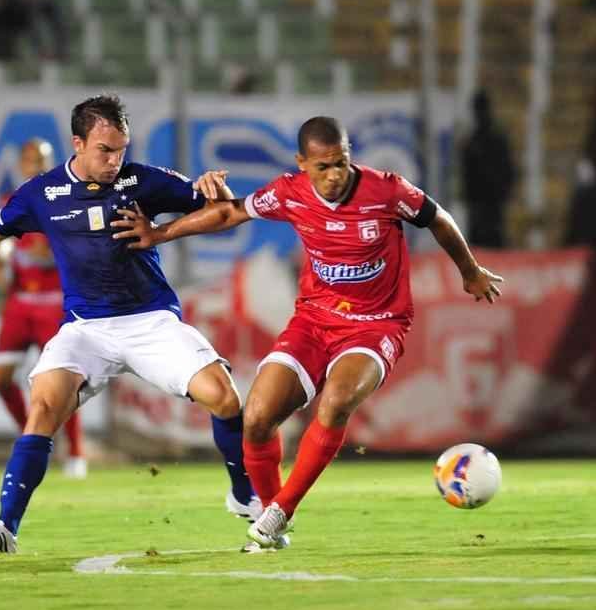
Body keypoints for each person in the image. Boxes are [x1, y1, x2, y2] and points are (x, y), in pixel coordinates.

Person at [0, 94, 259, 554]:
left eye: (121, 148)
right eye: (105, 150)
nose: (115, 160)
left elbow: (226, 209)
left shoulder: (143, 180)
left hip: (151, 321)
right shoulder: (42, 194)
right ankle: (5, 528)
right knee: (42, 405)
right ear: (77, 143)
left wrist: (189, 205)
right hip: (87, 330)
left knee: (224, 398)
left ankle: (243, 494)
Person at [114, 116, 503, 551]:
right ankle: (267, 509)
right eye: (323, 167)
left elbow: (438, 218)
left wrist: (469, 272)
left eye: (342, 163)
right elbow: (231, 211)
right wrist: (158, 234)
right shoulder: (288, 193)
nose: (335, 175)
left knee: (335, 402)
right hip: (313, 322)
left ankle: (280, 512)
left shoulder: (387, 190)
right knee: (258, 417)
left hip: (376, 325)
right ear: (302, 164)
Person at [0, 138, 86, 479]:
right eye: (30, 160)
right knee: (1, 378)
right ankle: (33, 434)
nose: (36, 166)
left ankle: (76, 452)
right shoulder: (12, 202)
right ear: (21, 165)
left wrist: (48, 254)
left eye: (42, 160)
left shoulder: (63, 201)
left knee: (62, 383)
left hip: (52, 303)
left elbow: (66, 250)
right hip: (19, 303)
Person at [460, 89, 515, 248]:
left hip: (490, 206)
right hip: (482, 207)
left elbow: (508, 172)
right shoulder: (473, 142)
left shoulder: (477, 142)